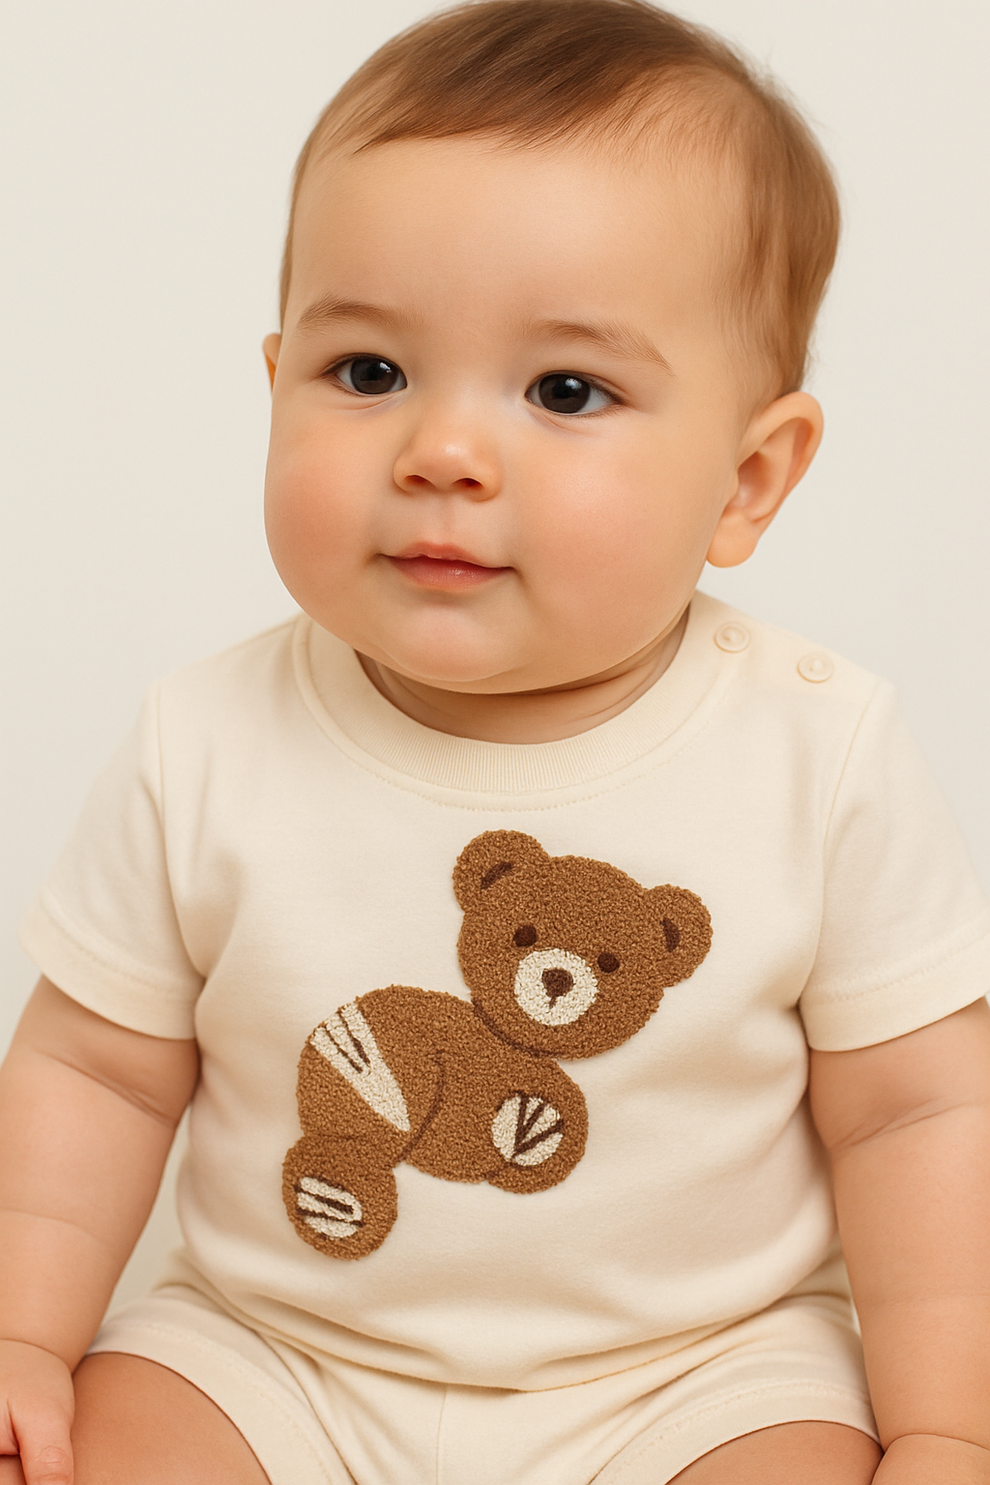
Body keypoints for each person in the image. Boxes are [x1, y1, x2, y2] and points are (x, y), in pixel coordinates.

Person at [1, 2, 988, 1481]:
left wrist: (944, 1427)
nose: (443, 454)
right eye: (368, 372)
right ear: (273, 382)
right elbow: (99, 1076)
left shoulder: (817, 754)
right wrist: (23, 1334)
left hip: (698, 1371)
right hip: (277, 1348)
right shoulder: (201, 739)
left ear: (747, 478)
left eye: (564, 391)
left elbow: (916, 1115)